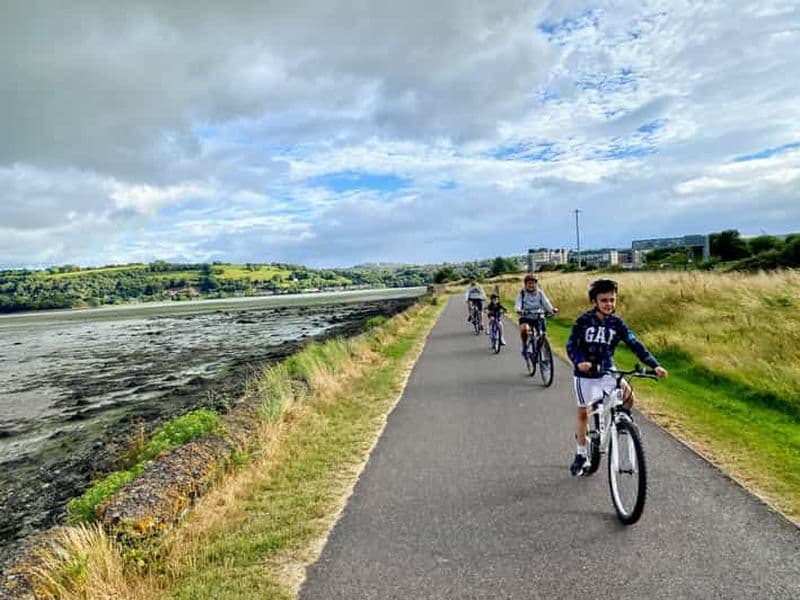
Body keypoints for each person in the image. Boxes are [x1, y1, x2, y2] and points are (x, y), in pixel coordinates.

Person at [566, 279, 668, 476]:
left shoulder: (616, 323)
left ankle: (622, 422)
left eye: (612, 300)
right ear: (594, 301)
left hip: (606, 370)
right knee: (583, 414)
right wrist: (579, 361)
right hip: (585, 375)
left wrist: (654, 365)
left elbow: (634, 343)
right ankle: (580, 453)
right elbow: (571, 345)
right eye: (604, 300)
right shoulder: (583, 321)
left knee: (629, 397)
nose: (609, 304)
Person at [515, 273, 558, 358]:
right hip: (526, 316)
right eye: (529, 283)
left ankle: (540, 350)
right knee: (524, 329)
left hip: (538, 316)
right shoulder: (522, 293)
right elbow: (518, 303)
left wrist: (552, 310)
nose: (531, 285)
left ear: (536, 284)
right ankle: (525, 346)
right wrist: (519, 309)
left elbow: (546, 303)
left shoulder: (540, 293)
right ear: (525, 284)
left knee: (542, 335)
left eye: (533, 283)